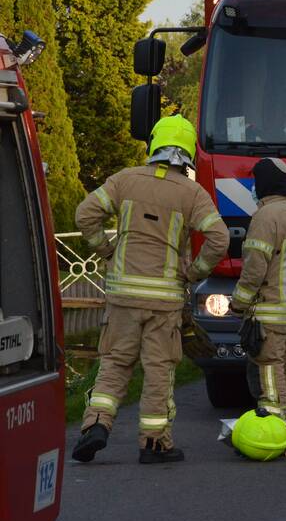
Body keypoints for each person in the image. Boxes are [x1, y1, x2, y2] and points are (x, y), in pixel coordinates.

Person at [71, 115, 229, 464]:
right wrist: (193, 271)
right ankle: (154, 443)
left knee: (114, 363)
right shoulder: (192, 193)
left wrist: (107, 250)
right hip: (165, 300)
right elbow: (219, 238)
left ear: (154, 144)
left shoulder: (125, 180)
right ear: (187, 151)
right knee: (159, 369)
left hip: (123, 295)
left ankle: (95, 426)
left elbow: (85, 214)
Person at [229, 158, 286, 448]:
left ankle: (274, 429)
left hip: (268, 312)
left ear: (262, 183)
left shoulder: (264, 217)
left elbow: (254, 268)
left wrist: (238, 303)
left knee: (268, 370)